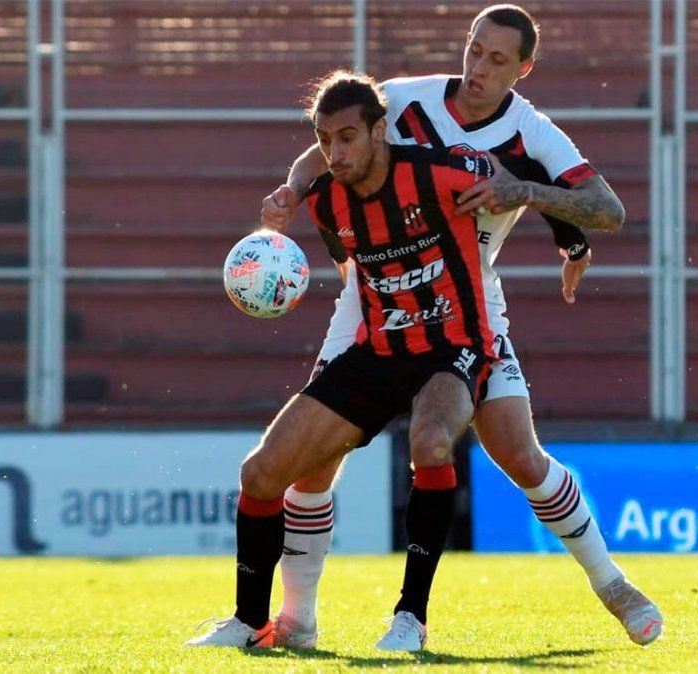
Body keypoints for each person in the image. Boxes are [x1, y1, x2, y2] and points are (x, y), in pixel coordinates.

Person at [260, 3, 662, 650]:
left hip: (466, 305)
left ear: (523, 69)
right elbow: (323, 147)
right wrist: (290, 189)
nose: (477, 67)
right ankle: (298, 618)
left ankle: (611, 583)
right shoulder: (406, 99)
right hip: (374, 298)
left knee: (516, 454)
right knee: (314, 460)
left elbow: (605, 209)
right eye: (473, 49)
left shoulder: (532, 134)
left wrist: (525, 192)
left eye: (497, 59)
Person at [187, 71, 501, 652]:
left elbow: (512, 173)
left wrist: (561, 228)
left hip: (453, 345)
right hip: (378, 349)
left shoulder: (438, 173)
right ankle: (251, 622)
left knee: (432, 442)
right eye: (325, 139)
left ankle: (410, 618)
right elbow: (344, 260)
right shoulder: (328, 201)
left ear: (380, 132)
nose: (335, 152)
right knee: (260, 473)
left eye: (348, 137)